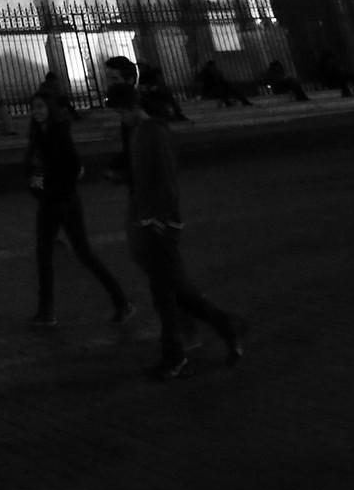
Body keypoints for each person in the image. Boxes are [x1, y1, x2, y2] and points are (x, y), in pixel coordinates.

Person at [107, 57, 245, 380]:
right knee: (174, 289)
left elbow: (165, 179)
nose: (120, 120)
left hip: (159, 223)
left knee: (165, 290)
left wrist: (160, 219)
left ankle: (177, 351)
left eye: (120, 114)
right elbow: (140, 170)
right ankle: (225, 328)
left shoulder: (152, 131)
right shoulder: (139, 132)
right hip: (148, 218)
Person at [26, 88, 133, 329]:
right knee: (47, 254)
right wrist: (33, 181)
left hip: (62, 201)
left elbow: (73, 167)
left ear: (50, 109)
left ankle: (120, 300)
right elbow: (32, 163)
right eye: (34, 108)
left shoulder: (58, 134)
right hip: (49, 201)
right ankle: (47, 310)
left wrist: (53, 188)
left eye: (41, 107)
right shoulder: (37, 134)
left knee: (80, 254)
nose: (37, 112)